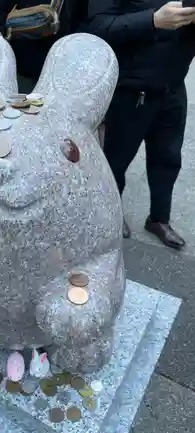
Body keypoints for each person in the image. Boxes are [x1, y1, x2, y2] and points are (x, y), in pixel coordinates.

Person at [83, 1, 195, 250]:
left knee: (167, 159)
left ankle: (159, 219)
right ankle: (112, 214)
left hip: (174, 87)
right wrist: (153, 21)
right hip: (131, 91)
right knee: (116, 160)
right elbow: (96, 27)